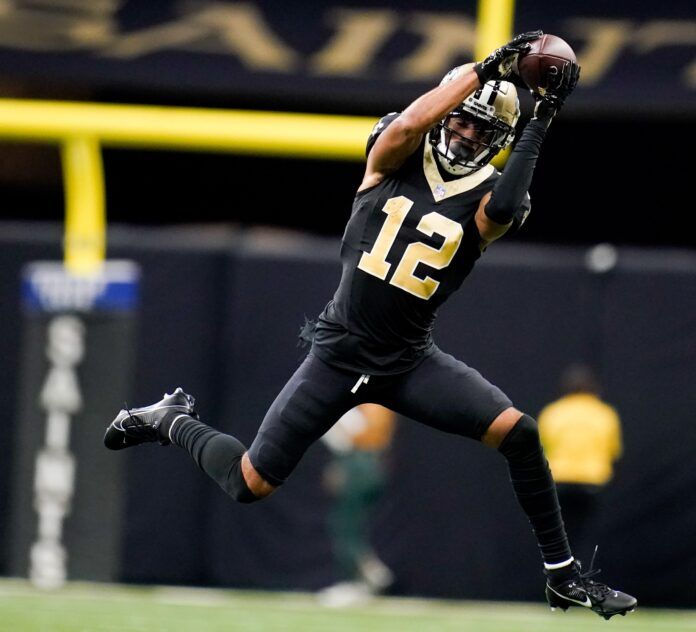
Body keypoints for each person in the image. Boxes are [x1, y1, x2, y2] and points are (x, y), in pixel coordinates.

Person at [104, 31, 636, 619]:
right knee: (250, 483)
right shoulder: (394, 152)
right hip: (337, 354)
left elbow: (506, 210)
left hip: (409, 361)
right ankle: (171, 421)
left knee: (521, 434)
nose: (463, 133)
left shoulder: (491, 197)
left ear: (499, 142)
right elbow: (410, 125)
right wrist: (483, 69)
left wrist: (542, 119)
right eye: (459, 121)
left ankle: (563, 575)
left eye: (481, 131)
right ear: (445, 110)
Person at [317, 404, 396, 606]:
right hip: (368, 463)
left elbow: (356, 435)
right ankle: (365, 573)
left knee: (345, 525)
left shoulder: (372, 404)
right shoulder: (378, 403)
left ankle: (363, 576)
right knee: (351, 524)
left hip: (361, 462)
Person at [538, 364, 623, 546]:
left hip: (559, 481)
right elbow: (613, 451)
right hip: (592, 482)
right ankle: (584, 571)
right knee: (587, 535)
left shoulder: (552, 413)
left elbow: (541, 450)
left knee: (561, 533)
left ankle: (562, 570)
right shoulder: (605, 414)